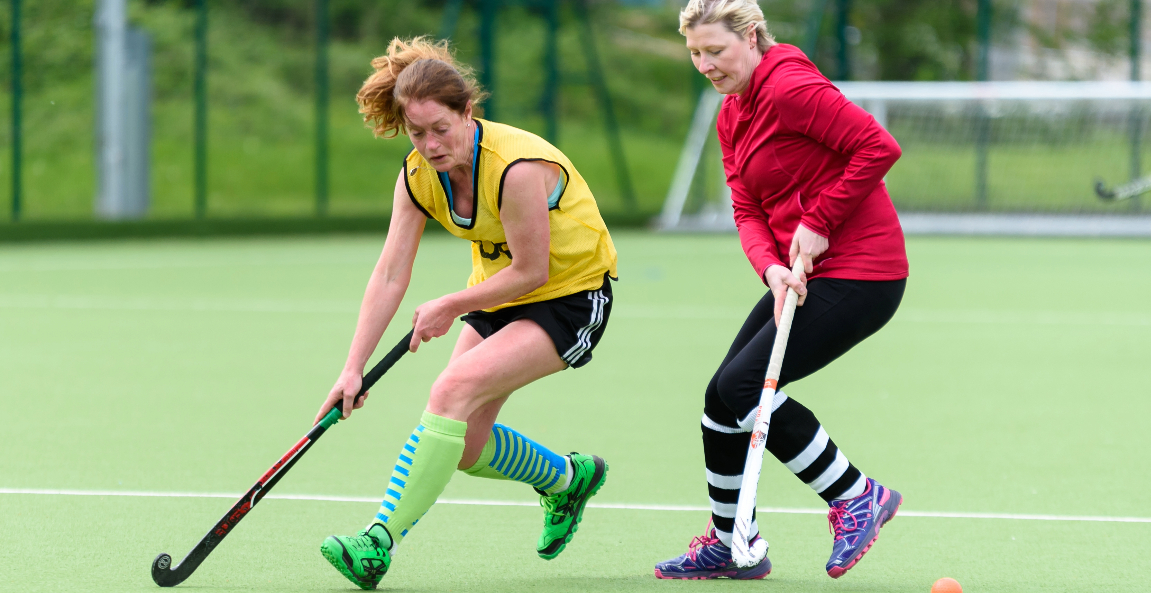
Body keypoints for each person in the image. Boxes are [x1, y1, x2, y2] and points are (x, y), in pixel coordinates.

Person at [312, 37, 617, 590]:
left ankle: (378, 542)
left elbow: (532, 271)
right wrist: (351, 368)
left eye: (440, 129)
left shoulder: (517, 167)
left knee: (449, 391)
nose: (430, 145)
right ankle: (568, 479)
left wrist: (451, 305)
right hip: (495, 296)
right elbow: (389, 274)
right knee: (468, 446)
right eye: (416, 132)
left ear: (467, 114)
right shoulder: (416, 177)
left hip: (569, 296)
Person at [655, 0, 908, 581]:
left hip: (864, 270)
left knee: (742, 387)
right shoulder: (731, 114)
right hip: (802, 272)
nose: (705, 65)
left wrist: (818, 220)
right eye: (695, 53)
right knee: (721, 400)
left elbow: (878, 147)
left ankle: (856, 496)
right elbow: (746, 207)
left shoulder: (789, 87)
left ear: (750, 36)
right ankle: (731, 544)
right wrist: (771, 268)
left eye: (715, 51)